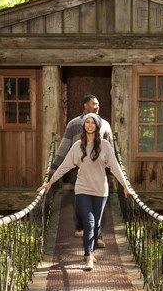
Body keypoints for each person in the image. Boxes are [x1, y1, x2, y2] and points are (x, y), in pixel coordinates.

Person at [38, 113, 132, 271]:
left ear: (97, 125)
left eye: (92, 122)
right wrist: (50, 182)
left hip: (101, 190)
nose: (89, 125)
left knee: (96, 226)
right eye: (87, 122)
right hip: (82, 189)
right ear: (83, 126)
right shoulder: (77, 146)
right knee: (89, 223)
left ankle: (92, 251)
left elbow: (115, 166)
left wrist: (125, 185)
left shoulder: (105, 146)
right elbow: (65, 166)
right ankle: (88, 256)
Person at [49, 94, 113, 248]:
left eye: (98, 104)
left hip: (97, 169)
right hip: (77, 167)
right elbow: (65, 146)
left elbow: (110, 147)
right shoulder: (73, 124)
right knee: (81, 199)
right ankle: (80, 227)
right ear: (85, 106)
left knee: (97, 203)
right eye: (93, 104)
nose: (97, 107)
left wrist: (111, 170)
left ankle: (97, 236)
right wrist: (55, 166)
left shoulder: (105, 124)